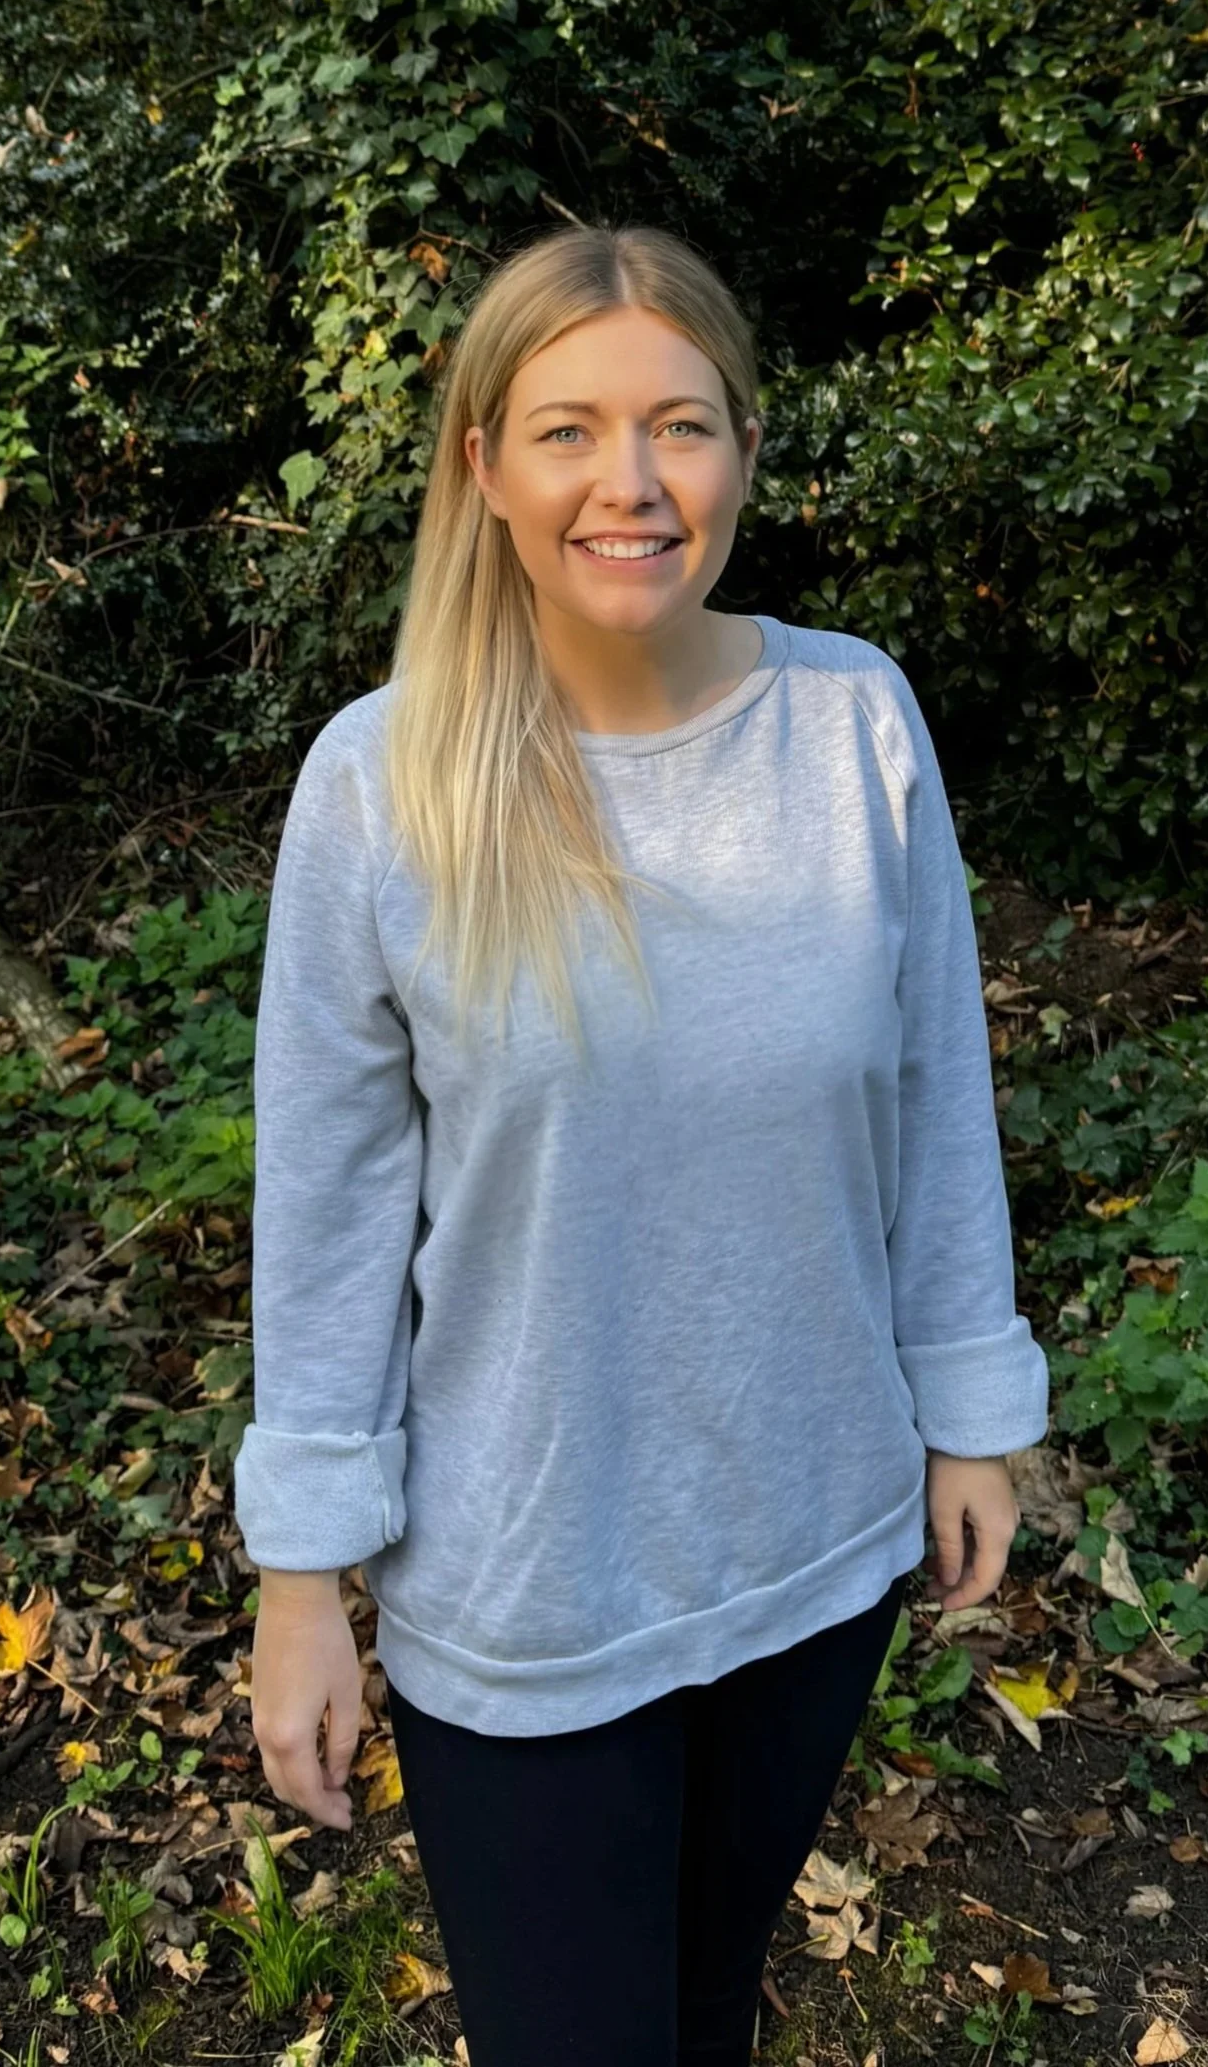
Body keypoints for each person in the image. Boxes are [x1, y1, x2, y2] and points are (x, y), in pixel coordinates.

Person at [235, 224, 1050, 2065]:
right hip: (526, 1585)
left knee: (703, 2009)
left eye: (678, 425)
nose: (630, 482)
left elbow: (935, 1095)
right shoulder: (382, 783)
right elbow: (332, 1209)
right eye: (568, 431)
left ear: (744, 452)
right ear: (483, 465)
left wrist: (969, 1412)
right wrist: (305, 1579)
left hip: (812, 1542)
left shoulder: (852, 722)